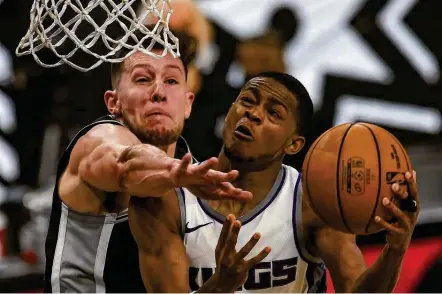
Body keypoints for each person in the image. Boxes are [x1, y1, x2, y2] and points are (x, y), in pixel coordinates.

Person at [129, 71, 420, 293]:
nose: (253, 114)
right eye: (247, 101)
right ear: (230, 110)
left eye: (273, 113)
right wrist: (220, 286)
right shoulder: (168, 200)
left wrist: (395, 249)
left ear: (294, 144)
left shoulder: (312, 203)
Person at [43, 30, 253, 293]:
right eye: (143, 79)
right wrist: (173, 172)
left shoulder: (191, 173)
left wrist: (221, 285)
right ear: (113, 102)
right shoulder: (97, 140)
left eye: (172, 81)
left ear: (188, 104)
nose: (158, 92)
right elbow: (126, 163)